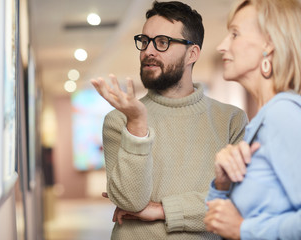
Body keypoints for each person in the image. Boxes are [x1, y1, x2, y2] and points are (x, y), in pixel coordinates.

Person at [91, 1, 248, 239]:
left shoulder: (231, 120)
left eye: (162, 42)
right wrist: (137, 125)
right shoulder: (119, 120)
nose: (148, 51)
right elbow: (130, 202)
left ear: (192, 54)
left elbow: (237, 203)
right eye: (144, 41)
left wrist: (163, 210)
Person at [203, 0, 301, 239]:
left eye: (235, 34)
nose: (221, 46)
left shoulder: (283, 114)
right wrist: (223, 184)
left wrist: (244, 230)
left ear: (269, 43)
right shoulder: (261, 121)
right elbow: (215, 220)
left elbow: (237, 227)